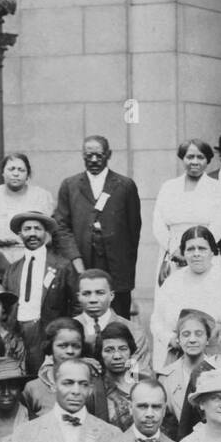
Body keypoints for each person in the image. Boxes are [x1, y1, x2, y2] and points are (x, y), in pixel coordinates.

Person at [54, 135, 143, 317]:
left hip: (116, 266)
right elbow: (61, 227)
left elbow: (133, 229)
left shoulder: (125, 185)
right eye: (89, 155)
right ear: (82, 155)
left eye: (99, 155)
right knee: (82, 315)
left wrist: (124, 263)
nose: (94, 160)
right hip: (82, 262)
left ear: (109, 155)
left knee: (117, 316)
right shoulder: (70, 185)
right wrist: (76, 261)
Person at [150, 226, 221, 363]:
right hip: (179, 357)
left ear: (212, 252)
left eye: (202, 248)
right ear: (183, 253)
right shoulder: (172, 283)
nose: (196, 254)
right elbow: (156, 321)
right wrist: (170, 339)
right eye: (190, 249)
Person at [1, 211, 77, 369]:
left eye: (38, 228)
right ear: (20, 234)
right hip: (18, 334)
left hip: (47, 334)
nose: (33, 233)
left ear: (46, 233)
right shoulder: (12, 270)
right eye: (27, 229)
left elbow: (76, 304)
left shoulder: (62, 266)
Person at [152, 138, 221, 288]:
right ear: (183, 158)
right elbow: (158, 223)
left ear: (207, 160)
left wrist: (196, 249)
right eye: (190, 157)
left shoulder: (218, 189)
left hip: (205, 254)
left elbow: (218, 225)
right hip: (173, 255)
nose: (194, 162)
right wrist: (174, 250)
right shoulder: (168, 187)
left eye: (200, 157)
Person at [0, 153, 64, 263]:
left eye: (21, 170)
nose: (16, 174)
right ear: (3, 173)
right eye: (11, 169)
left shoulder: (42, 197)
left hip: (33, 256)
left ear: (28, 174)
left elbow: (52, 233)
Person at [157, 309, 217, 439]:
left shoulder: (219, 371)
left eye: (199, 334)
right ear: (178, 339)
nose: (192, 340)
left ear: (207, 339)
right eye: (186, 334)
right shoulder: (165, 377)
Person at [75, 268, 151, 370]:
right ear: (78, 297)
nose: (93, 300)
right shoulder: (67, 330)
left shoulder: (133, 331)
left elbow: (136, 377)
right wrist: (75, 365)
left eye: (100, 293)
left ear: (111, 296)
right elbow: (48, 371)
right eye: (86, 294)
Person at [21, 319, 90, 419]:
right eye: (62, 346)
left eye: (76, 346)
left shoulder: (92, 385)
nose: (70, 351)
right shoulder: (33, 388)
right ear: (50, 347)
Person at [98, 322, 141, 432]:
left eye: (123, 349)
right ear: (100, 354)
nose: (117, 356)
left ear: (131, 351)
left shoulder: (144, 383)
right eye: (109, 350)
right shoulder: (97, 388)